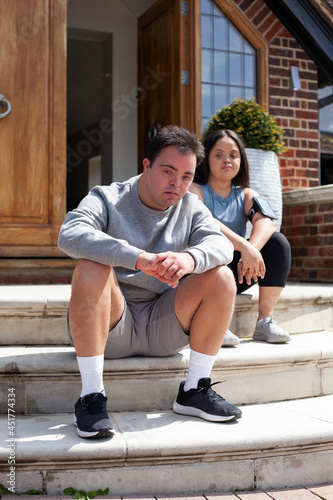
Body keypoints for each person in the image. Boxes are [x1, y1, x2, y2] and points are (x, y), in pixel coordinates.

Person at [58, 125, 242, 440]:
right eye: (168, 171)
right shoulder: (107, 197)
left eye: (186, 177)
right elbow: (70, 234)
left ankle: (194, 389)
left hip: (165, 323)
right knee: (91, 266)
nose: (177, 183)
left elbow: (222, 246)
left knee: (222, 275)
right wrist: (136, 258)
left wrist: (190, 259)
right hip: (111, 326)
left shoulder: (192, 207)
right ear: (146, 166)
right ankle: (91, 397)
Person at [190, 129, 292, 347]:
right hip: (201, 270)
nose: (227, 159)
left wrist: (251, 251)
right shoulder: (194, 189)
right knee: (214, 255)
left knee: (277, 243)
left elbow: (266, 222)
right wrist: (244, 246)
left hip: (238, 271)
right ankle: (214, 323)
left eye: (233, 155)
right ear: (206, 159)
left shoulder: (245, 194)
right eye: (218, 154)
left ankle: (265, 321)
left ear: (241, 160)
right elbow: (206, 222)